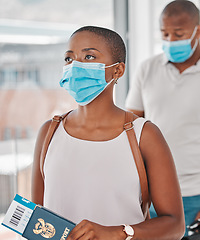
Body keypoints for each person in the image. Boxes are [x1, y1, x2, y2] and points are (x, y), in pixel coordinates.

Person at [31, 26, 185, 240]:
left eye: (89, 56)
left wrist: (117, 233)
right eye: (69, 59)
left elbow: (174, 225)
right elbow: (37, 221)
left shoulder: (144, 135)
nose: (75, 66)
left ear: (118, 70)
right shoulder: (49, 132)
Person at [125, 0, 200, 235]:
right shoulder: (146, 69)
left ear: (198, 31)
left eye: (178, 34)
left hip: (199, 197)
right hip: (150, 193)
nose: (170, 40)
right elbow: (129, 129)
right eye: (164, 33)